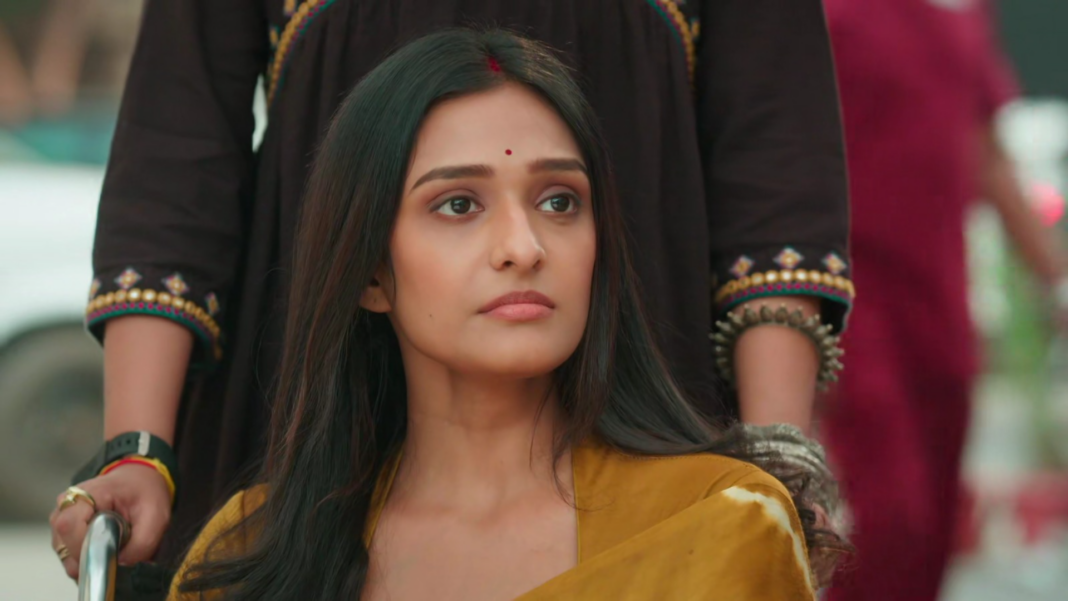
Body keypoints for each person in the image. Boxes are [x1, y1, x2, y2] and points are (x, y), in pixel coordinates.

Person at [53, 0, 851, 579]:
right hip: (301, 424)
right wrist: (139, 449)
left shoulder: (723, 523)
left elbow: (775, 155)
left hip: (645, 389)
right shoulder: (242, 546)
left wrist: (777, 456)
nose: (520, 246)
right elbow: (178, 149)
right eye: (460, 205)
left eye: (560, 202)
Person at [819, 1, 1068, 600]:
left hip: (941, 305)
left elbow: (987, 154)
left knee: (936, 519)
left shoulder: (965, 13)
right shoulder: (829, 14)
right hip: (853, 299)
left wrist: (1056, 280)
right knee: (889, 510)